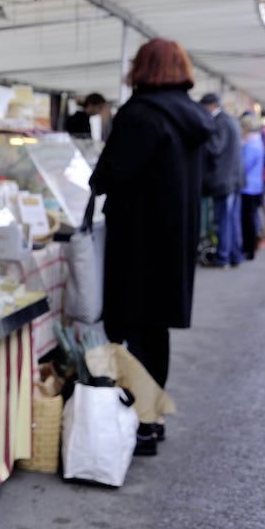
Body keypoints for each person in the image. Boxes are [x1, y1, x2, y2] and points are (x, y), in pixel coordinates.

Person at [88, 38, 212, 455]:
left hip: (136, 241)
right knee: (156, 332)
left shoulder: (140, 114)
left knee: (128, 328)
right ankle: (151, 420)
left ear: (141, 68)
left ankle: (139, 424)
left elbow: (107, 175)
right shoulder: (193, 116)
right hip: (174, 240)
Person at [198, 93, 244, 267]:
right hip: (233, 179)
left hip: (224, 180)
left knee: (223, 220)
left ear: (209, 105)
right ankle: (233, 255)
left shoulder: (220, 122)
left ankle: (223, 257)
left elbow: (215, 148)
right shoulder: (230, 120)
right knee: (231, 220)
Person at [239, 113, 265, 259]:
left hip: (248, 188)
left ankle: (249, 249)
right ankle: (251, 246)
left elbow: (244, 166)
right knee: (251, 219)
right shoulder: (257, 142)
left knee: (247, 221)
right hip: (256, 186)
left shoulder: (250, 145)